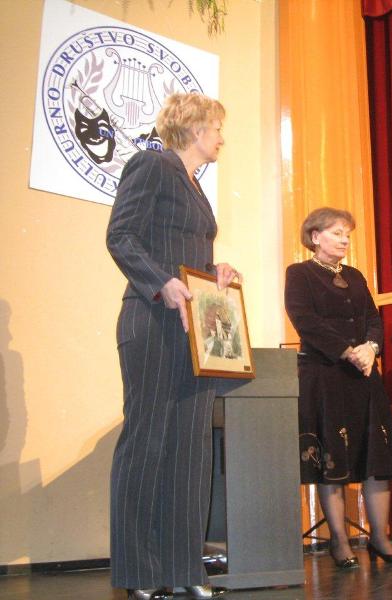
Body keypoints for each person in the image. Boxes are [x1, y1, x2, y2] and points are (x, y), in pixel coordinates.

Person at [107, 93, 236, 600]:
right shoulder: (152, 164)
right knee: (147, 444)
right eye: (217, 128)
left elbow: (183, 251)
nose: (222, 137)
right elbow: (121, 236)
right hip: (153, 321)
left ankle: (186, 569)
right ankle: (139, 573)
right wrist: (161, 281)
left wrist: (214, 272)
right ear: (196, 128)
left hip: (194, 331)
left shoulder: (194, 185)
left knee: (190, 450)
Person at [284, 207, 392, 568]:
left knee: (375, 457)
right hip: (325, 375)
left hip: (363, 375)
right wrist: (346, 350)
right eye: (337, 233)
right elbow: (304, 320)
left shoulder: (354, 275)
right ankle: (339, 541)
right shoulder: (300, 273)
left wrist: (370, 347)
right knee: (332, 457)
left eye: (347, 235)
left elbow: (373, 319)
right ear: (315, 236)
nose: (344, 240)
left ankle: (380, 538)